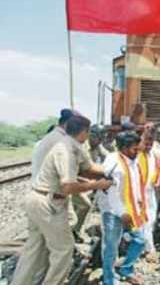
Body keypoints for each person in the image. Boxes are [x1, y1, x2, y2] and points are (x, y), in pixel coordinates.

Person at [11, 116, 112, 285]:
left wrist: (110, 171)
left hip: (37, 199)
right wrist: (97, 184)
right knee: (64, 249)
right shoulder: (66, 150)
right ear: (84, 132)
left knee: (35, 250)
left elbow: (88, 168)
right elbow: (67, 187)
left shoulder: (71, 144)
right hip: (47, 203)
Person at [98, 131, 147, 285]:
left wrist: (138, 203)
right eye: (134, 149)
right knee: (111, 247)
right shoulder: (113, 162)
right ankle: (109, 279)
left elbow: (134, 184)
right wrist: (122, 213)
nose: (137, 152)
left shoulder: (132, 160)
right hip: (113, 212)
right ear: (125, 148)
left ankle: (125, 268)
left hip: (129, 210)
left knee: (140, 240)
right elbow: (110, 191)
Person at [138, 128, 160, 263]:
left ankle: (141, 245)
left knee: (151, 219)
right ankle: (149, 249)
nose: (148, 147)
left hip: (150, 191)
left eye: (150, 144)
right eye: (146, 144)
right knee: (145, 221)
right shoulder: (136, 155)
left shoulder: (153, 155)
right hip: (139, 193)